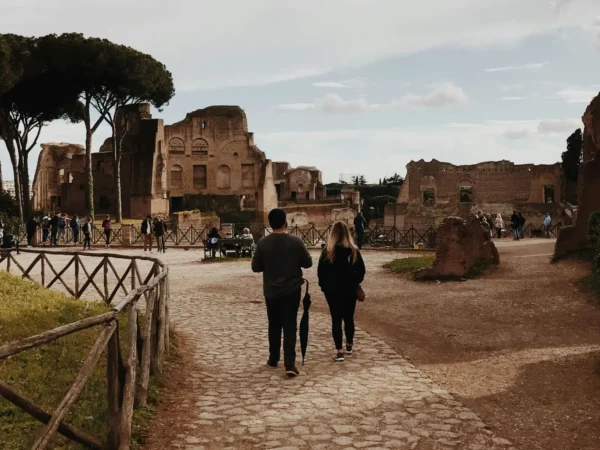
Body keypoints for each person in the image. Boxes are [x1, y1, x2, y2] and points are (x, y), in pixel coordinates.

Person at [252, 208, 312, 377]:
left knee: (274, 324)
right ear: (285, 223)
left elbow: (256, 267)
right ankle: (289, 363)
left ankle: (273, 358)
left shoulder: (263, 243)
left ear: (270, 224)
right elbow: (308, 263)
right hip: (292, 289)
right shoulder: (296, 242)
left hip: (271, 290)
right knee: (290, 324)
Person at [317, 221, 366, 362]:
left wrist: (324, 287)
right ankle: (349, 345)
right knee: (349, 318)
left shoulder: (327, 252)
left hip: (332, 291)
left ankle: (339, 351)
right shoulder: (353, 250)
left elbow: (321, 273)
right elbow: (361, 271)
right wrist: (355, 282)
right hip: (349, 289)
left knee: (336, 319)